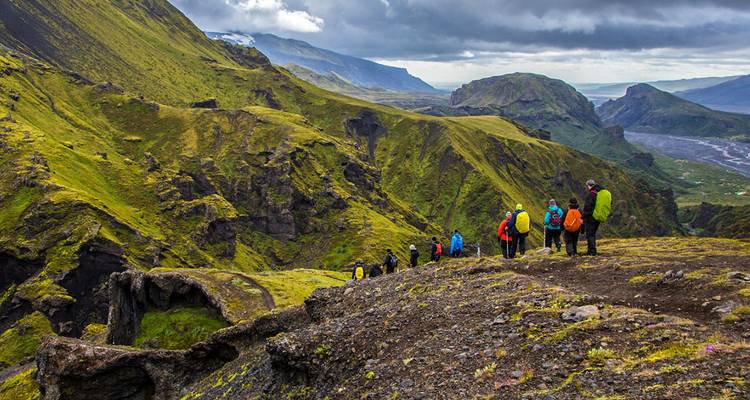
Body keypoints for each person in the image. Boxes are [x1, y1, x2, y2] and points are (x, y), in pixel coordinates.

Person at [582, 179, 604, 256]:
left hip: (591, 217)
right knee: (593, 234)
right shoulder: (600, 193)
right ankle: (591, 251)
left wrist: (583, 217)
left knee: (590, 234)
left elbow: (587, 207)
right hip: (597, 217)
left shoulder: (591, 194)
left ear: (589, 185)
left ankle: (592, 252)